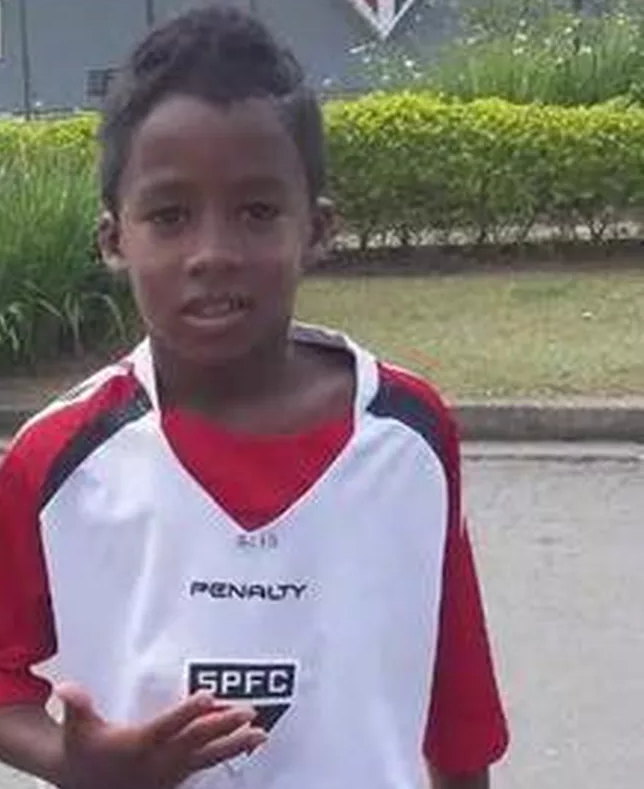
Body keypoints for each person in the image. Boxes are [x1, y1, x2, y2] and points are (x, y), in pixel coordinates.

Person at [0, 6, 509, 788]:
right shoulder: (57, 457)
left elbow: (456, 710)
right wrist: (71, 760)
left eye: (257, 212)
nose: (213, 252)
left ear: (317, 228)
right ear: (113, 239)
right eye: (170, 216)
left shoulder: (409, 433)